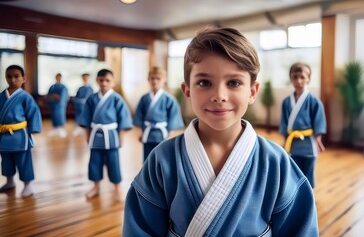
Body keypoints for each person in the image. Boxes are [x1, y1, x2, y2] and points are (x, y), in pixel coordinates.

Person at [123, 27, 318, 236]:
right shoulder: (162, 159)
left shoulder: (276, 162)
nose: (219, 95)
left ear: (252, 91)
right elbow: (140, 228)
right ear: (187, 90)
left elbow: (300, 229)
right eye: (204, 82)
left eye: (234, 83)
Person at [79, 69, 133, 201]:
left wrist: (121, 137)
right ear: (97, 80)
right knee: (94, 162)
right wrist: (87, 135)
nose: (104, 83)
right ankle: (96, 187)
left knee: (113, 162)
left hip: (111, 135)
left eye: (107, 80)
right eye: (101, 80)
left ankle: (118, 188)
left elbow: (124, 119)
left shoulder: (117, 99)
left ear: (113, 82)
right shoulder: (92, 98)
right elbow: (86, 119)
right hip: (96, 135)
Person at [279, 62, 326, 188]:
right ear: (291, 79)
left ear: (308, 79)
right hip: (293, 143)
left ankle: (308, 196)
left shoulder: (314, 101)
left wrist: (318, 140)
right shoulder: (286, 102)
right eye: (295, 77)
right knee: (293, 172)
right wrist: (285, 141)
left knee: (308, 173)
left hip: (308, 143)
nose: (299, 81)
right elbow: (284, 123)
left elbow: (319, 121)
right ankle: (295, 196)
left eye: (302, 77)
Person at [0, 65, 42, 197]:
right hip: (4, 134)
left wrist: (33, 129)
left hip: (19, 134)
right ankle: (10, 181)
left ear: (23, 78)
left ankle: (27, 185)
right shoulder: (1, 96)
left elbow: (33, 113)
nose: (12, 80)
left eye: (16, 76)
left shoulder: (26, 97)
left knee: (23, 160)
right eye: (9, 76)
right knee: (6, 159)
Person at [133, 66, 184, 161]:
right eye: (152, 78)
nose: (155, 81)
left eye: (158, 79)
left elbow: (173, 116)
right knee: (147, 157)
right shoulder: (144, 98)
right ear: (148, 79)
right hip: (147, 133)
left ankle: (161, 175)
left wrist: (170, 132)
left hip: (162, 133)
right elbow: (139, 116)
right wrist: (140, 131)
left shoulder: (169, 99)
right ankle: (147, 175)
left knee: (162, 156)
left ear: (164, 79)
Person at [46, 73, 68, 138]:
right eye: (57, 77)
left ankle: (61, 130)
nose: (58, 78)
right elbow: (48, 96)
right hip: (53, 105)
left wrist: (56, 97)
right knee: (54, 117)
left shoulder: (63, 87)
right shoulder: (52, 87)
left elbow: (62, 97)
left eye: (59, 77)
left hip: (60, 106)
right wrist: (54, 96)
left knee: (60, 116)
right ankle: (55, 129)